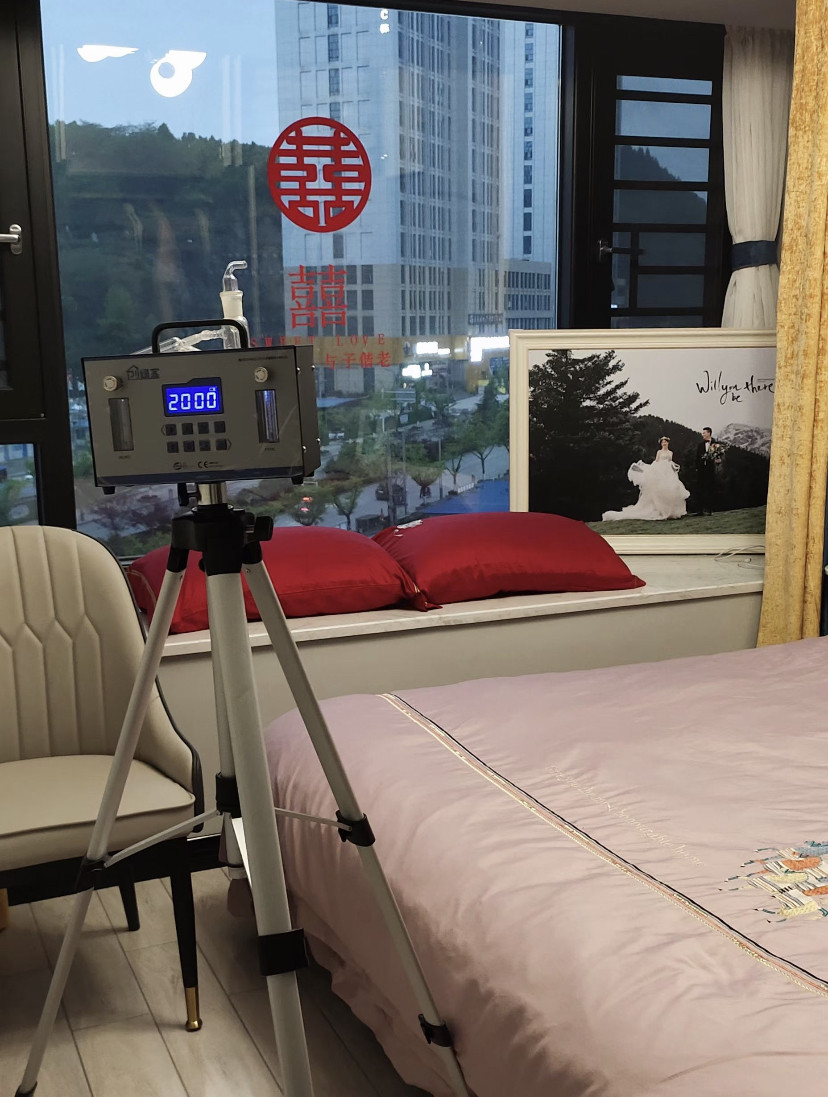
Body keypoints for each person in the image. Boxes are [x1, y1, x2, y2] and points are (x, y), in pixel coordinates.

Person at [602, 436, 690, 521]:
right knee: (660, 488)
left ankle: (671, 511)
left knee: (671, 488)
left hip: (668, 471)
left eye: (665, 442)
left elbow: (670, 462)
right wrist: (654, 470)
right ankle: (660, 510)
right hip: (660, 469)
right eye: (663, 442)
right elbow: (657, 461)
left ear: (668, 443)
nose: (664, 443)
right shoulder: (659, 452)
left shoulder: (671, 452)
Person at [694, 426, 718, 515]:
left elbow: (718, 456)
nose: (702, 434)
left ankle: (710, 510)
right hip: (701, 470)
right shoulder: (700, 444)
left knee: (710, 489)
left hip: (710, 470)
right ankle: (700, 510)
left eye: (704, 433)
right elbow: (697, 457)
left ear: (709, 433)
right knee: (700, 489)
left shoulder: (715, 444)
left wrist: (717, 460)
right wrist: (697, 468)